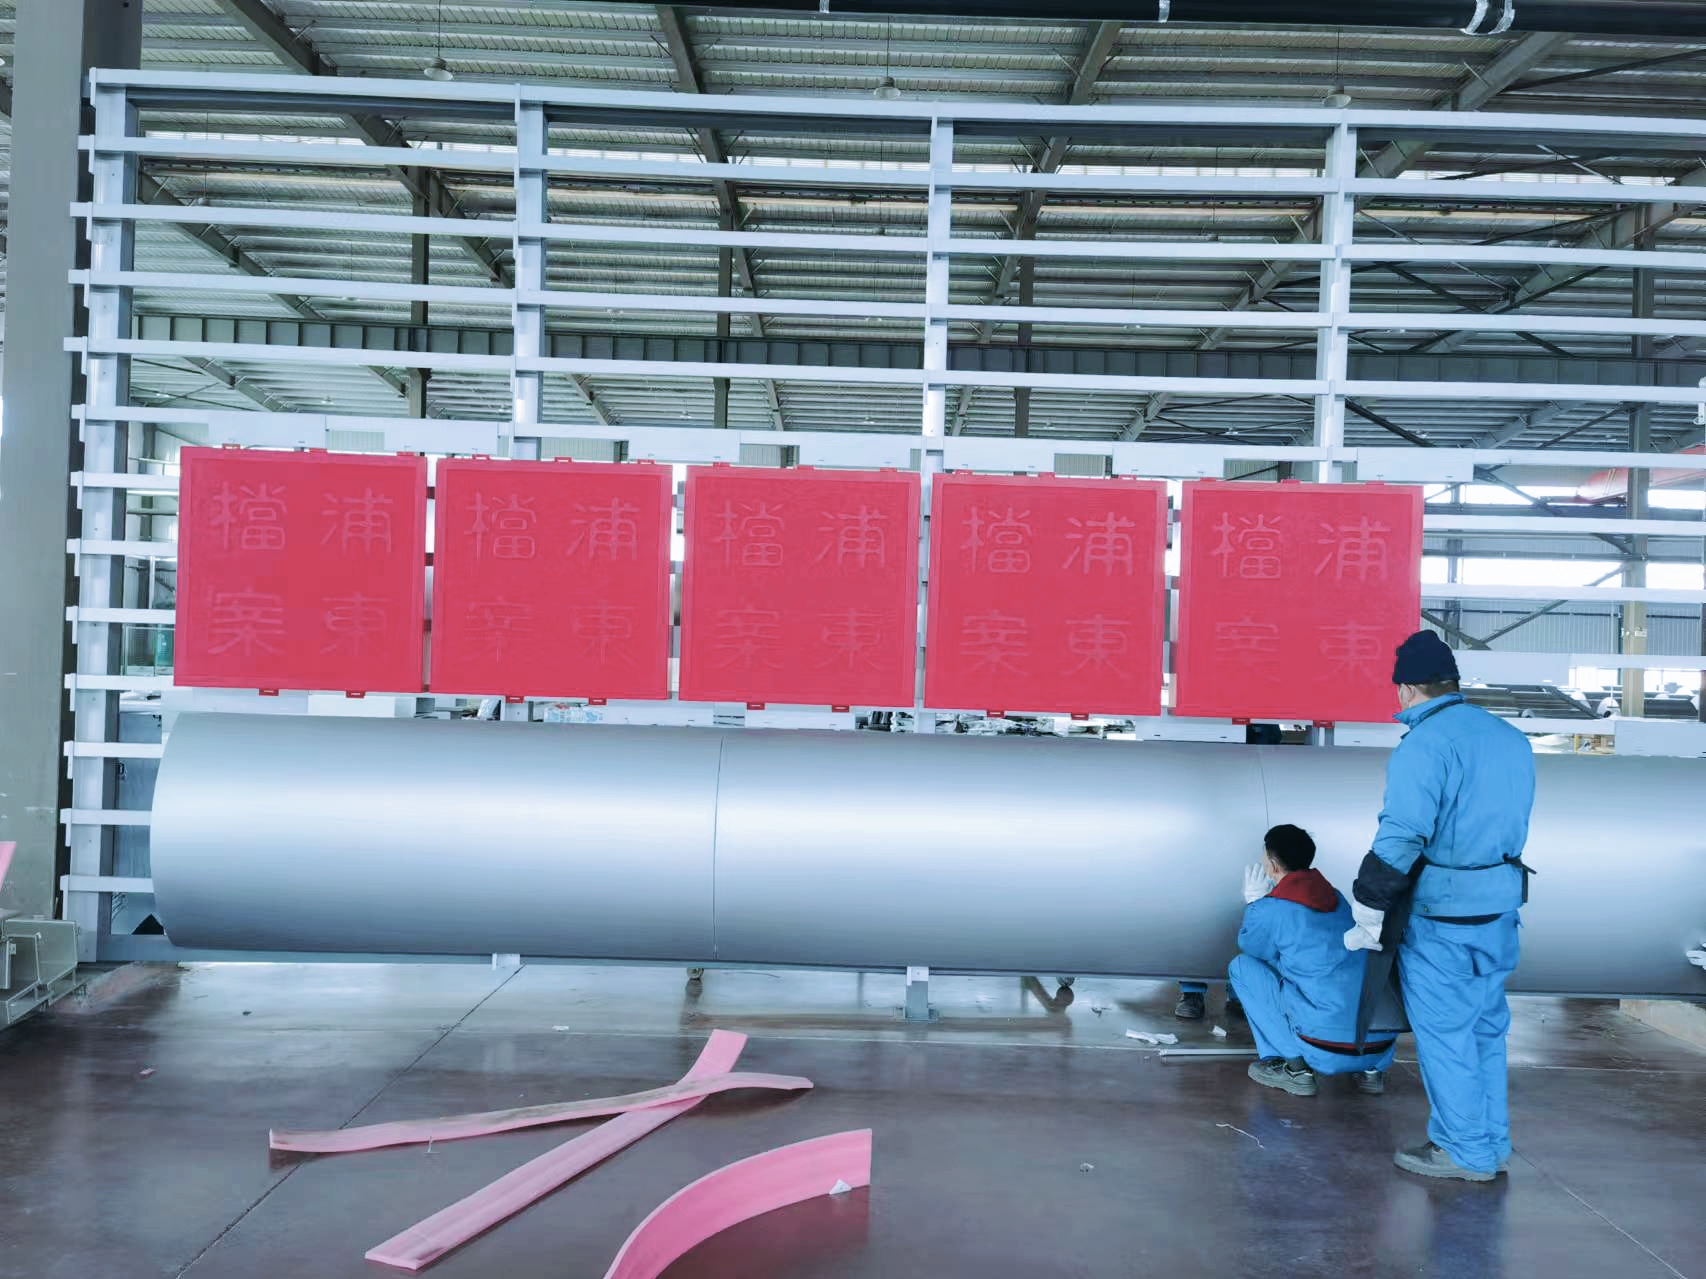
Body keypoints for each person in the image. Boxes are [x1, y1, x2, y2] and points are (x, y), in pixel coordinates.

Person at [1344, 630, 1536, 1183]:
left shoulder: (1425, 744)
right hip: (1500, 910)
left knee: (1445, 1036)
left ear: (1407, 689)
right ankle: (1491, 1143)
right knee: (1485, 1032)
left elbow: (1404, 831)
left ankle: (1464, 1152)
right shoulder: (1509, 738)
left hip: (1443, 917)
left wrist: (1369, 902)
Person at [1229, 824, 1395, 1097]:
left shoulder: (1273, 908)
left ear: (1272, 864)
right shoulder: (1337, 898)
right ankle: (1370, 1073)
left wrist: (1255, 904)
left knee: (1241, 967)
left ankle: (1295, 1070)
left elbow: (1251, 947)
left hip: (1324, 1049)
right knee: (1343, 978)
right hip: (1376, 1045)